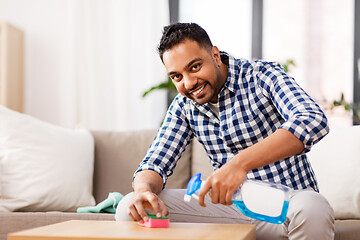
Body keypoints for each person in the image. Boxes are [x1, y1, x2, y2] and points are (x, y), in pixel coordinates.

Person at [115, 22, 335, 239]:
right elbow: (155, 162)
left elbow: (311, 119)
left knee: (313, 207)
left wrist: (239, 165)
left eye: (195, 67)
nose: (189, 83)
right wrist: (143, 190)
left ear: (216, 55)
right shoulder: (184, 106)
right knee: (129, 207)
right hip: (229, 210)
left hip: (286, 206)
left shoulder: (262, 76)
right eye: (177, 77)